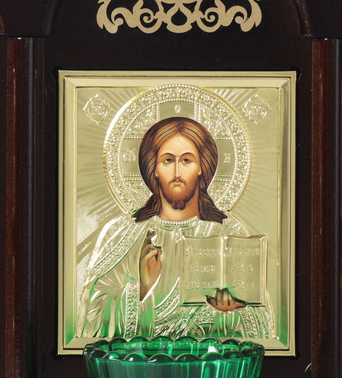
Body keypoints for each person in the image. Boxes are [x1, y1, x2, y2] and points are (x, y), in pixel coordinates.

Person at [79, 116, 274, 341]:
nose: (177, 173)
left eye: (187, 160)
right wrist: (142, 288)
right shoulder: (123, 232)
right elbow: (92, 321)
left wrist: (231, 311)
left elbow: (261, 325)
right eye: (168, 160)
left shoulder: (228, 232)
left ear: (201, 167)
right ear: (154, 168)